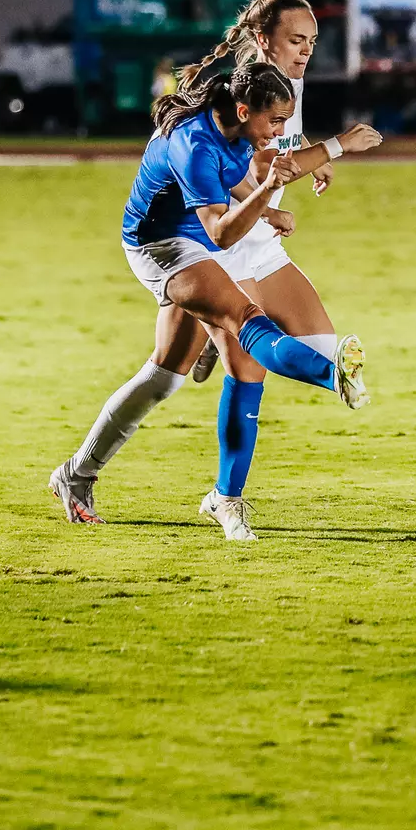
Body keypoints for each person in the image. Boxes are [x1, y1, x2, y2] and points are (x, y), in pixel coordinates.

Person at [47, 60, 369, 539]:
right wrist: (268, 192)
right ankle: (331, 374)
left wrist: (263, 211)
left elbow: (233, 186)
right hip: (160, 247)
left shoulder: (239, 131)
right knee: (243, 317)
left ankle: (76, 472)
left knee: (162, 379)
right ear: (243, 109)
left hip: (197, 237)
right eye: (276, 122)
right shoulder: (194, 143)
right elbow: (219, 232)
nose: (282, 132)